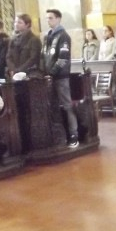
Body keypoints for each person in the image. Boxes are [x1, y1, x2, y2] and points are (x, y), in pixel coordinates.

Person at [41, 9, 79, 148]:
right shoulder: (47, 36)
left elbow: (63, 59)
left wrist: (51, 73)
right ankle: (58, 136)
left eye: (51, 18)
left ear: (58, 19)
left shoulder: (63, 36)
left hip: (60, 77)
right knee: (53, 106)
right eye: (47, 18)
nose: (48, 20)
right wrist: (42, 72)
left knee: (67, 106)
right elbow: (43, 55)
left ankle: (74, 135)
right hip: (47, 77)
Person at [5, 13, 42, 78]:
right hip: (14, 73)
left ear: (27, 24)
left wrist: (20, 70)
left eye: (19, 22)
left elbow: (33, 58)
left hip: (29, 73)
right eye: (15, 22)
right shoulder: (13, 40)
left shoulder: (34, 39)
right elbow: (9, 56)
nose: (16, 24)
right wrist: (13, 69)